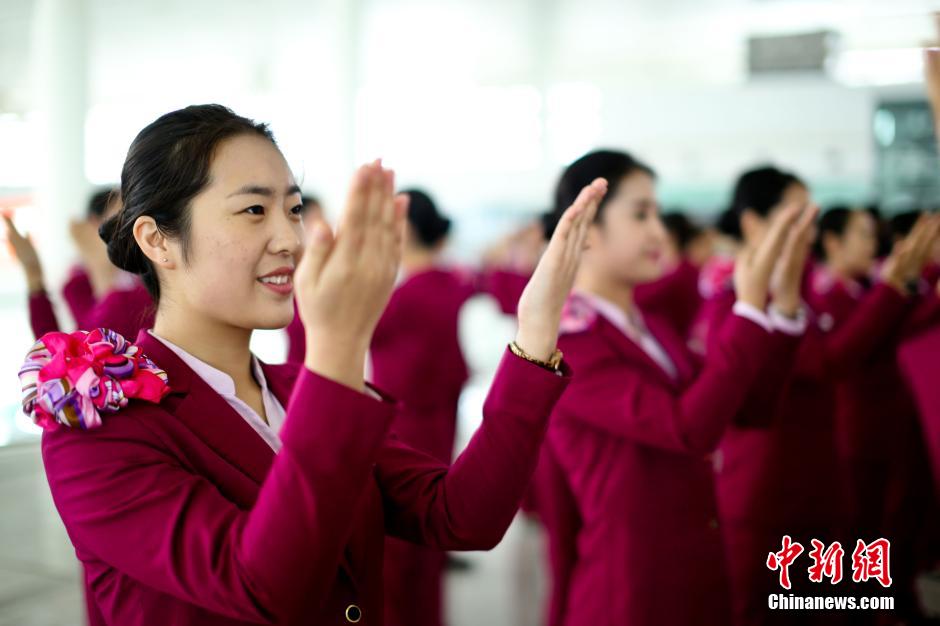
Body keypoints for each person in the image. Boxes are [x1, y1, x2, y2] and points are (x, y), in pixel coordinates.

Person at [23, 104, 602, 626]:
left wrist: (535, 330)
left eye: (294, 209)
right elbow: (262, 586)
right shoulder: (100, 429)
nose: (290, 239)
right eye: (254, 210)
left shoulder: (296, 389)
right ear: (158, 241)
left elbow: (462, 516)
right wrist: (337, 347)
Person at [542, 149, 815, 626]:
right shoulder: (570, 344)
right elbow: (688, 429)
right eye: (640, 214)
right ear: (586, 227)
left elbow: (752, 407)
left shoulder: (652, 328)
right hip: (632, 590)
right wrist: (748, 310)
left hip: (693, 569)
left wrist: (785, 302)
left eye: (658, 214)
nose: (659, 232)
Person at [694, 166, 940, 626]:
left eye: (811, 214)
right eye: (796, 216)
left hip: (818, 480)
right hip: (765, 491)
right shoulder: (732, 301)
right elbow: (825, 362)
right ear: (753, 223)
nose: (810, 229)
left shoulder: (800, 290)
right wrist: (893, 288)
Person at [368, 188, 476, 626]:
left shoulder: (408, 294)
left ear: (405, 229)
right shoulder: (451, 281)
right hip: (438, 417)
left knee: (398, 546)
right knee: (429, 537)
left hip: (404, 422)